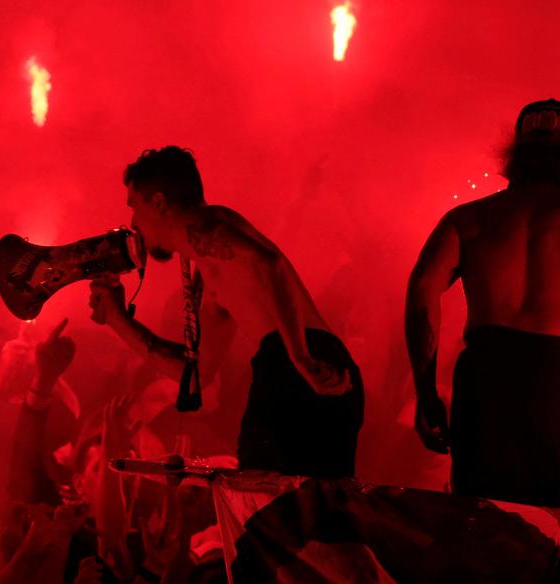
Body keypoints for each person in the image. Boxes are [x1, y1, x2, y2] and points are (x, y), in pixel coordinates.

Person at [405, 99, 560, 512]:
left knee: (479, 517)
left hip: (486, 374)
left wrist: (425, 389)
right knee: (557, 526)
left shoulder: (469, 218)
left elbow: (421, 294)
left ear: (515, 152)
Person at [90, 146, 363, 479]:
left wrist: (300, 358)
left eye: (135, 206)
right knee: (306, 515)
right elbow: (198, 375)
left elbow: (268, 264)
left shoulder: (204, 227)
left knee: (265, 508)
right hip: (304, 363)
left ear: (159, 202)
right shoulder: (209, 270)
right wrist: (119, 320)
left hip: (297, 365)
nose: (133, 223)